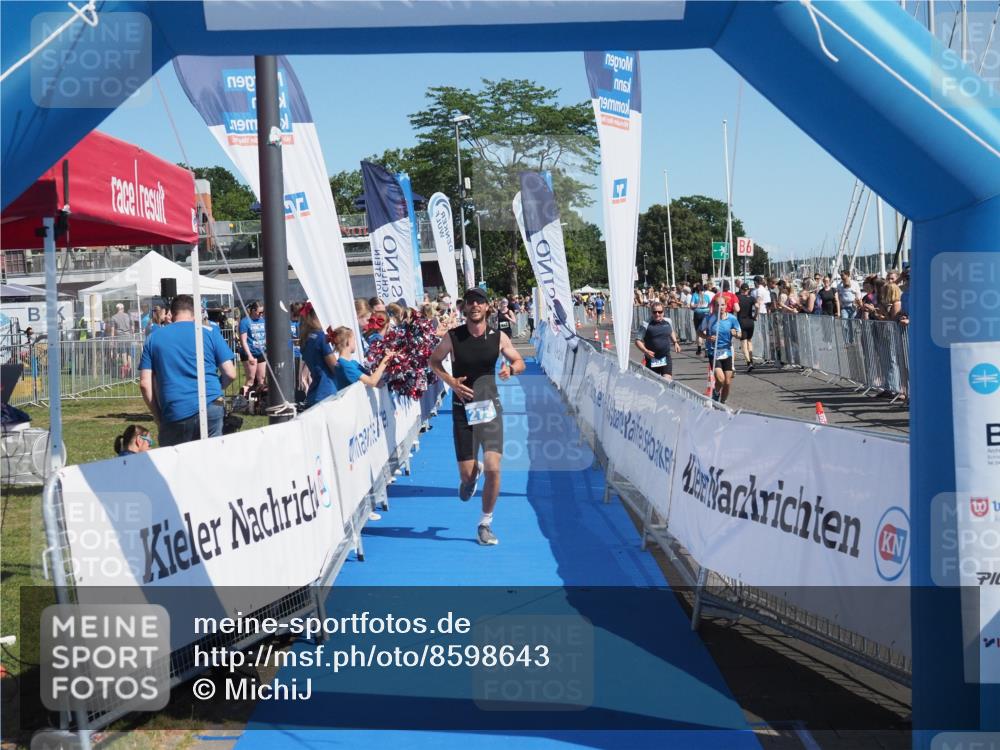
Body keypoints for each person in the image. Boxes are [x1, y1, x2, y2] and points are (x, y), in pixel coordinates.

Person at [429, 287, 525, 546]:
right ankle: (473, 474)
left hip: (489, 407)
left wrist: (511, 370)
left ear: (486, 307)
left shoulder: (498, 337)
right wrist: (450, 381)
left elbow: (519, 362)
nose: (474, 306)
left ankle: (485, 523)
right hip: (463, 409)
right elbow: (433, 362)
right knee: (467, 476)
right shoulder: (453, 337)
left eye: (479, 302)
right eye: (470, 302)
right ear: (464, 308)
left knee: (494, 466)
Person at [139, 295, 237, 446]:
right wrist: (213, 390)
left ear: (171, 314)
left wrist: (158, 417)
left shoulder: (153, 338)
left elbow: (145, 384)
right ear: (195, 313)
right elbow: (230, 373)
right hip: (211, 404)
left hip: (175, 408)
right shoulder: (210, 332)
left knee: (175, 458)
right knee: (211, 455)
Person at [698, 294, 742, 404]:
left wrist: (736, 334)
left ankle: (722, 404)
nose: (720, 307)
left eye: (722, 305)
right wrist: (708, 337)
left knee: (727, 382)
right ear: (714, 306)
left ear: (726, 306)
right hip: (714, 352)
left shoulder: (732, 319)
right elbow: (699, 332)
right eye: (718, 305)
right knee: (720, 379)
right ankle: (716, 393)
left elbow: (740, 334)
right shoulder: (709, 318)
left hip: (727, 352)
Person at [297, 302, 338, 408]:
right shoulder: (321, 338)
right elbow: (335, 368)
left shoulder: (306, 339)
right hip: (328, 391)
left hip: (315, 391)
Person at [330, 326, 394, 389]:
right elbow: (372, 382)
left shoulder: (352, 363)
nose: (355, 342)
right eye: (354, 340)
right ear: (348, 342)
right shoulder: (343, 364)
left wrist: (382, 357)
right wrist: (386, 359)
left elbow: (376, 382)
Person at [635, 302, 681, 379]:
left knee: (667, 380)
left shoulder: (668, 321)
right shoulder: (646, 324)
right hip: (652, 358)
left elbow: (671, 331)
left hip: (665, 357)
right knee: (654, 382)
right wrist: (646, 351)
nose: (657, 314)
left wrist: (675, 342)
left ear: (663, 312)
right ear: (651, 312)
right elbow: (637, 340)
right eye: (654, 312)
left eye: (660, 312)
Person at [238, 301, 267, 397]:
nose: (261, 314)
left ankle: (259, 399)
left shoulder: (263, 321)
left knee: (262, 378)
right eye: (259, 312)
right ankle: (243, 399)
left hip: (261, 352)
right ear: (253, 311)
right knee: (251, 378)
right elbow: (243, 340)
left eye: (263, 312)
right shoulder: (245, 322)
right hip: (250, 352)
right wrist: (249, 355)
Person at [736, 282, 757, 370]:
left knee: (743, 342)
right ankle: (751, 360)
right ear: (748, 290)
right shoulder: (751, 298)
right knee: (749, 341)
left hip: (741, 321)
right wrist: (755, 316)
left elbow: (735, 308)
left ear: (741, 289)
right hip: (750, 321)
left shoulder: (737, 297)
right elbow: (757, 306)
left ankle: (748, 362)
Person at [689, 283, 713, 356]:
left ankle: (699, 349)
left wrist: (697, 305)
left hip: (698, 313)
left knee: (698, 331)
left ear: (697, 290)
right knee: (705, 331)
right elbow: (710, 305)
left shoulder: (695, 295)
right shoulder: (706, 296)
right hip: (706, 313)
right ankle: (707, 349)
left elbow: (691, 305)